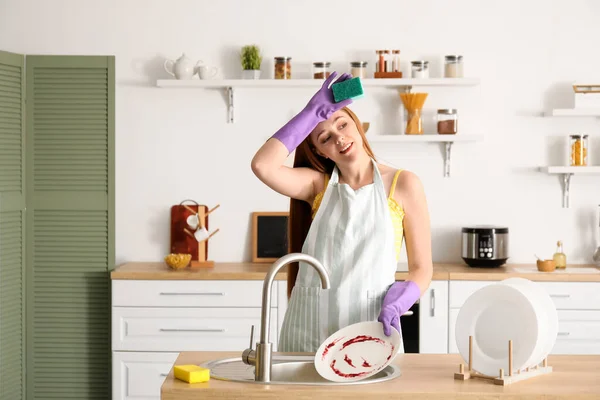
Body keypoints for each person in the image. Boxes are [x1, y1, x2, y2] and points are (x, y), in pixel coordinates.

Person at [251, 71, 433, 353]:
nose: (339, 138)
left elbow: (422, 269)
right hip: (308, 332)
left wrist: (403, 297)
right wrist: (311, 113)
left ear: (358, 127)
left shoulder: (404, 184)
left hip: (369, 328)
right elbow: (263, 166)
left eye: (343, 125)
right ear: (322, 152)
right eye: (325, 137)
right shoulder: (316, 186)